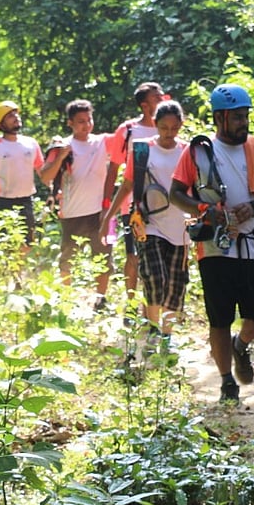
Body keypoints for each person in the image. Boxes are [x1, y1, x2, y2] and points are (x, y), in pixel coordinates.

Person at [171, 84, 254, 402]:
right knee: (219, 318)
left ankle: (241, 345)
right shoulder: (200, 152)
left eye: (245, 116)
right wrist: (205, 210)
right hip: (215, 248)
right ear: (220, 118)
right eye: (237, 117)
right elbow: (175, 193)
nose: (243, 122)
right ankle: (225, 381)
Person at [100, 100, 190, 349]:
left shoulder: (187, 151)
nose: (169, 133)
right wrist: (109, 217)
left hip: (180, 226)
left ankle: (166, 336)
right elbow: (127, 185)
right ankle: (153, 328)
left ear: (181, 125)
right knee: (154, 276)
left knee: (176, 282)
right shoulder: (142, 151)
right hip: (148, 223)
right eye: (164, 127)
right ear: (155, 125)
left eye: (174, 128)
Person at [41, 99, 115, 305]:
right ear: (70, 123)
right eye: (81, 121)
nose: (86, 124)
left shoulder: (102, 141)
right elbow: (45, 177)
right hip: (71, 212)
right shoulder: (62, 146)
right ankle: (67, 299)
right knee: (68, 258)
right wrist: (60, 156)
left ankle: (101, 299)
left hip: (101, 212)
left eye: (89, 119)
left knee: (104, 258)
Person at [107, 82, 167, 300]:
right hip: (133, 204)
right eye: (156, 98)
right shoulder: (128, 130)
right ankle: (131, 304)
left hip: (164, 205)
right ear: (144, 105)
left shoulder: (170, 126)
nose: (162, 100)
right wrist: (107, 205)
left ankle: (150, 308)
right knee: (133, 256)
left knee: (158, 258)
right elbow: (114, 166)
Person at [0, 101, 47, 248]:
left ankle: (21, 271)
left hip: (27, 200)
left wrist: (55, 190)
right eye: (9, 116)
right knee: (5, 244)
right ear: (0, 125)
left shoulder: (31, 143)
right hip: (3, 202)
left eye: (16, 114)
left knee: (27, 244)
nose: (15, 117)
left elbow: (43, 172)